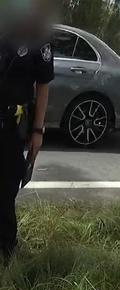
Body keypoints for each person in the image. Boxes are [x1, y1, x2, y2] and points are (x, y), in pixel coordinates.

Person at [0, 0, 54, 261]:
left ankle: (8, 249)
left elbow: (43, 85)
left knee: (7, 189)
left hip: (11, 126)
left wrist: (38, 131)